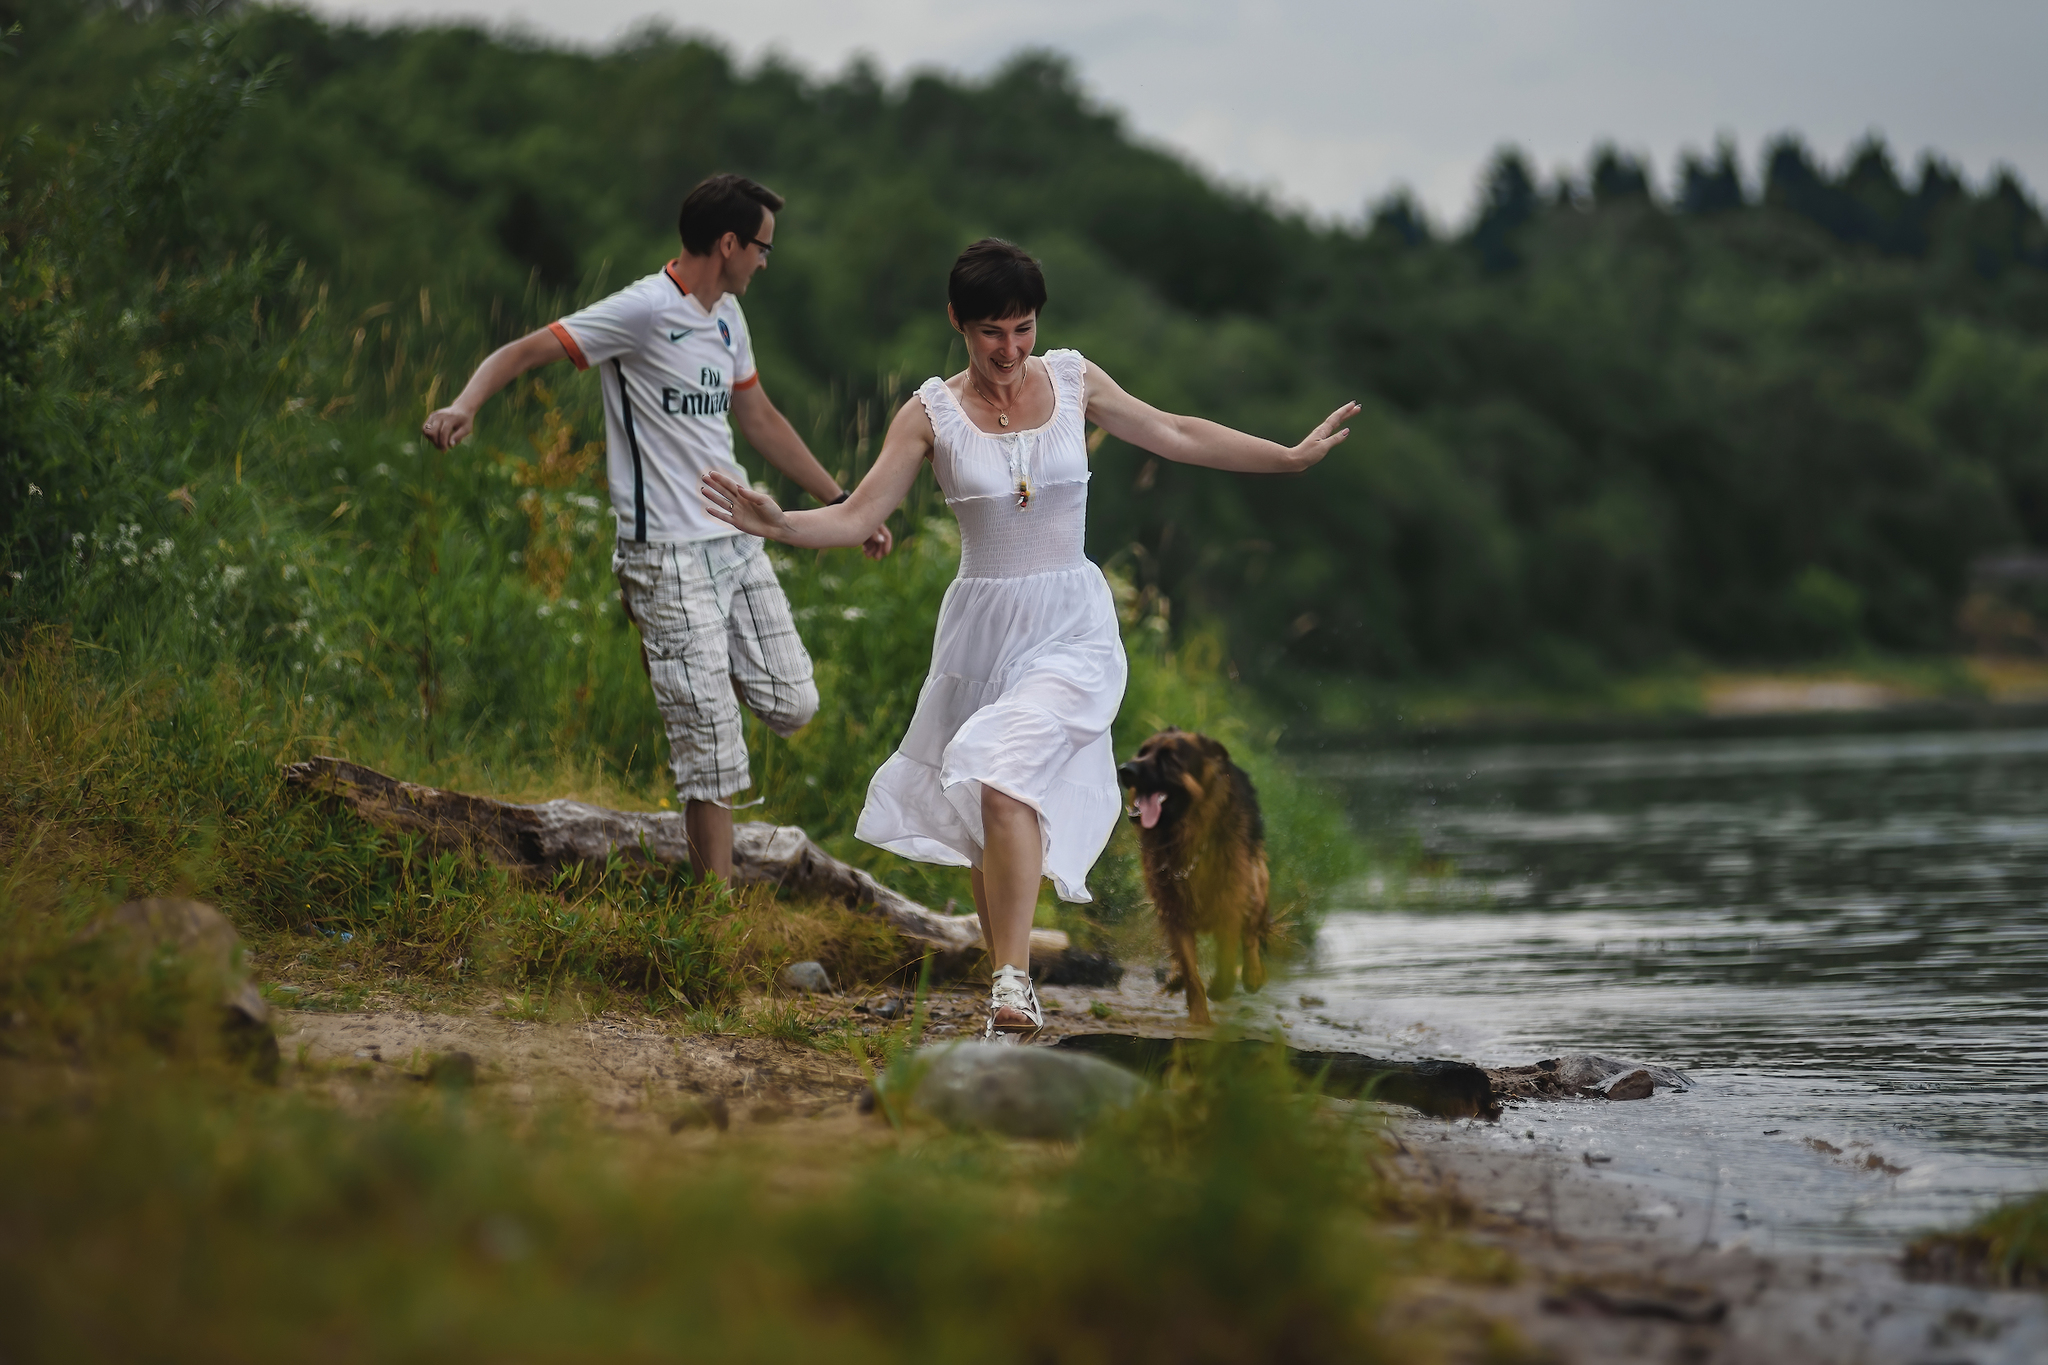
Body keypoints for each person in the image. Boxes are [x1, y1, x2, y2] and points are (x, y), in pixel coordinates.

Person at [703, 238, 1355, 1038]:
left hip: (1071, 627)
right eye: (990, 332)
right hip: (980, 633)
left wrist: (1286, 458)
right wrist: (780, 523)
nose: (1009, 350)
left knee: (1006, 775)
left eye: (1022, 328)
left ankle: (1013, 986)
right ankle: (1004, 982)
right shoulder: (929, 414)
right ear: (957, 323)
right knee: (987, 806)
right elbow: (858, 515)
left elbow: (1177, 432)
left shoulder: (1076, 379)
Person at [422, 174, 891, 881]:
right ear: (728, 243)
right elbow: (522, 350)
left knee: (793, 703)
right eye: (762, 248)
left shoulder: (729, 317)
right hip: (664, 552)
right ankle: (714, 919)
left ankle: (678, 662)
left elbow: (758, 418)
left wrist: (845, 502)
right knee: (710, 743)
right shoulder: (642, 310)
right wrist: (465, 404)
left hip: (736, 541)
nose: (766, 262)